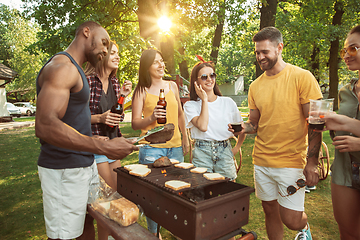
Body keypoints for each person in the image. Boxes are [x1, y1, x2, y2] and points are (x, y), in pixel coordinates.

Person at [35, 21, 138, 240]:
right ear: (86, 31)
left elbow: (72, 119)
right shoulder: (63, 67)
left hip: (84, 165)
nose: (105, 49)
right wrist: (102, 145)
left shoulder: (76, 69)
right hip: (64, 170)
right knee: (63, 235)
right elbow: (45, 125)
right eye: (103, 42)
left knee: (88, 221)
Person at [232, 26, 323, 240]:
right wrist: (242, 128)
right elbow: (254, 123)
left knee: (291, 220)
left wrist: (312, 163)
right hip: (262, 161)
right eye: (257, 52)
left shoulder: (302, 77)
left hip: (291, 161)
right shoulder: (255, 86)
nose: (260, 57)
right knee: (270, 211)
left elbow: (316, 123)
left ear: (279, 47)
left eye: (265, 52)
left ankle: (304, 227)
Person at [131, 49, 189, 239]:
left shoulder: (172, 86)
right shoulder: (141, 90)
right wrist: (151, 117)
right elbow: (134, 124)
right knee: (153, 197)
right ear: (146, 67)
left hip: (175, 148)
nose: (161, 65)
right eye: (155, 62)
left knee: (177, 192)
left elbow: (180, 114)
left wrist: (186, 138)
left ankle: (176, 230)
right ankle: (154, 234)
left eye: (162, 61)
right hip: (151, 150)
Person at [84, 40, 132, 240]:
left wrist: (122, 96)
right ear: (102, 56)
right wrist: (100, 118)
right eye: (113, 52)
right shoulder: (87, 81)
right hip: (96, 144)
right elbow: (76, 117)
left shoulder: (114, 82)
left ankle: (112, 236)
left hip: (113, 143)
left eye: (118, 53)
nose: (117, 56)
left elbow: (117, 116)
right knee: (106, 199)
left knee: (117, 196)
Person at [323, 24, 360, 240]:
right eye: (344, 50)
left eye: (353, 49)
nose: (346, 55)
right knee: (347, 232)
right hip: (344, 169)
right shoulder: (345, 91)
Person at [183, 59, 245, 182]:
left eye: (212, 75)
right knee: (202, 191)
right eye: (204, 77)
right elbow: (203, 126)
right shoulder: (191, 105)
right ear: (196, 82)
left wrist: (236, 148)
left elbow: (242, 128)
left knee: (229, 191)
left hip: (224, 150)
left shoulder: (227, 102)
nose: (210, 79)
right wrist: (204, 100)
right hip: (202, 152)